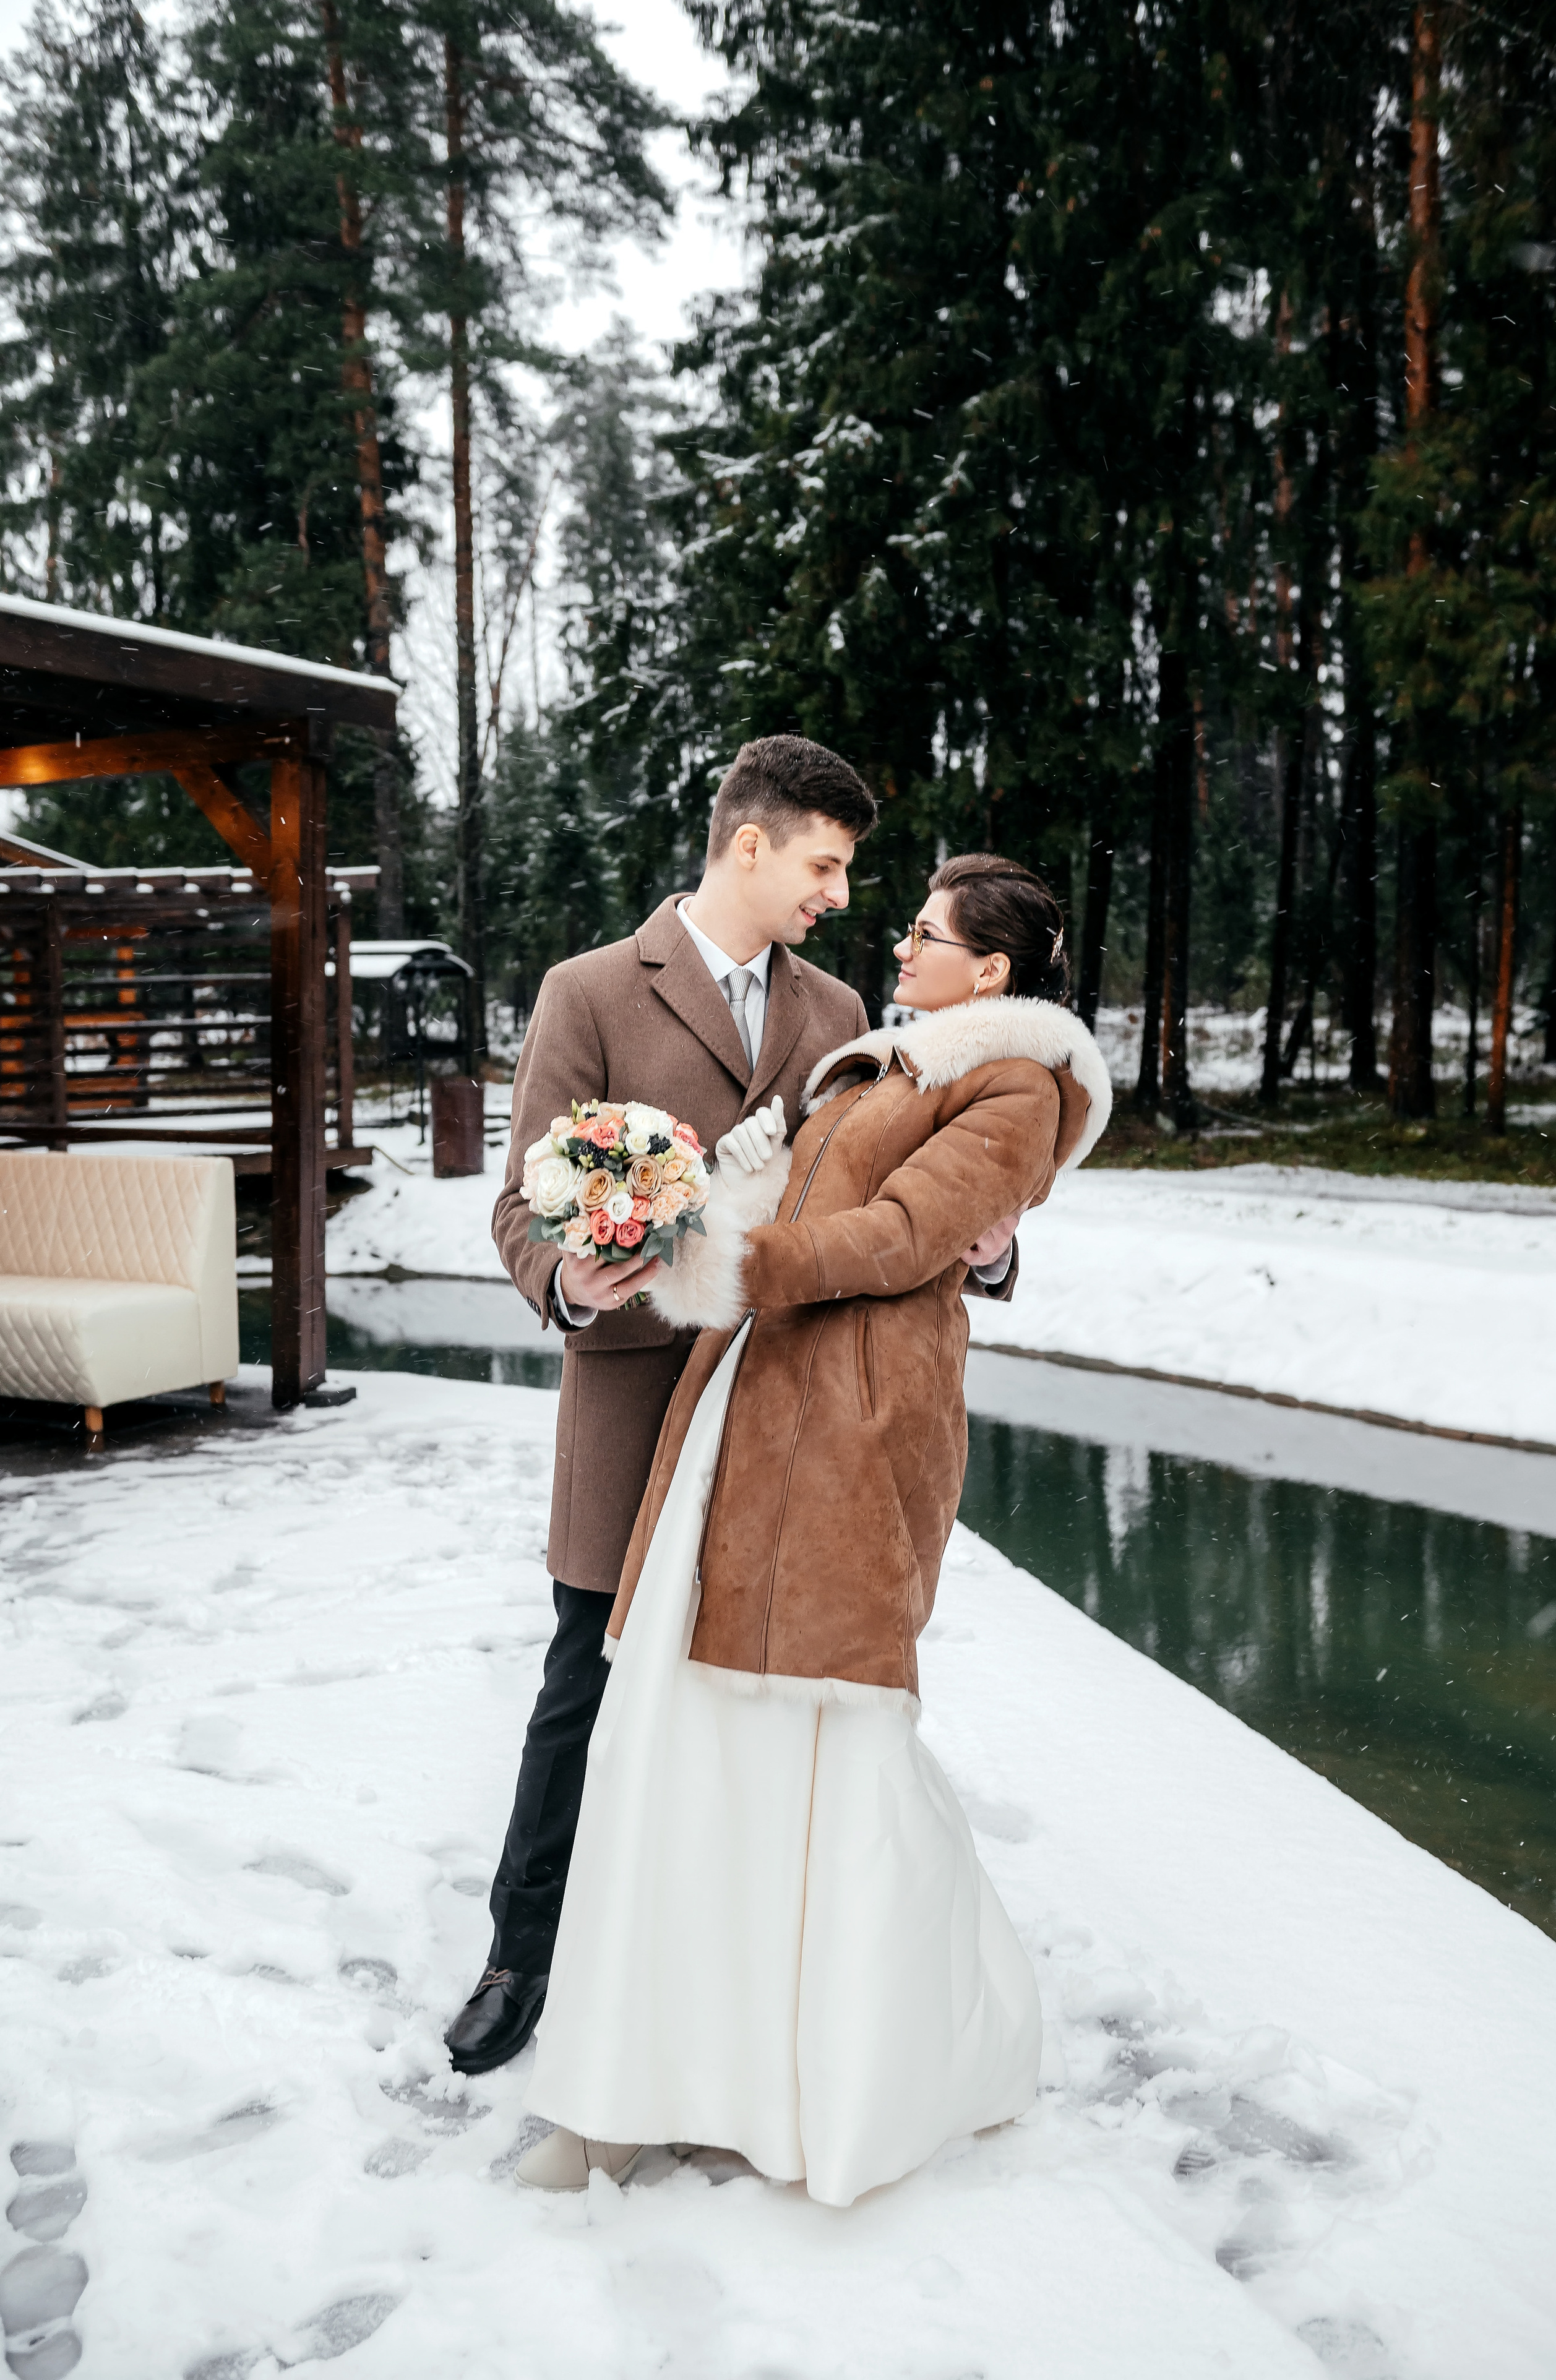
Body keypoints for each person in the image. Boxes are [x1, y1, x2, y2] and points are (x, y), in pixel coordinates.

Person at [517, 853, 1112, 2204]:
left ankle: (840, 2070)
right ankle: (645, 2072)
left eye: (925, 932)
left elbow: (902, 1235)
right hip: (746, 1406)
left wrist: (740, 1263)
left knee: (824, 1746)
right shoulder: (887, 1062)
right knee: (678, 1730)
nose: (896, 943)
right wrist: (687, 1206)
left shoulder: (1015, 1083)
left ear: (992, 969)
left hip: (849, 1431)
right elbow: (804, 1194)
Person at [445, 745, 1021, 2076]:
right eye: (825, 864)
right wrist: (567, 1279)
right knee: (584, 1680)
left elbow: (911, 1190)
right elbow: (518, 1201)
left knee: (741, 1697)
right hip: (632, 1395)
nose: (838, 895)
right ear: (748, 846)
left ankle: (707, 1966)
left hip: (784, 1411)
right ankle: (522, 1954)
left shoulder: (844, 1012)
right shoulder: (588, 990)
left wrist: (990, 1251)